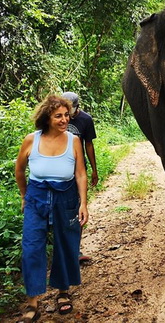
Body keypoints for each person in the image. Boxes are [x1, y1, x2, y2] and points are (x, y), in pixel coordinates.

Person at [15, 95, 88, 323]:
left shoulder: (74, 140)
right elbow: (19, 171)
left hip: (65, 197)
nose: (64, 119)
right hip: (37, 197)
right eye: (58, 116)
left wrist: (83, 203)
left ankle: (63, 291)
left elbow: (80, 174)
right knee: (31, 248)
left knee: (66, 245)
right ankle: (33, 303)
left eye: (67, 115)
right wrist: (24, 195)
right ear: (47, 118)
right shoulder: (31, 140)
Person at [62, 91, 98, 263]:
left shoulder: (85, 120)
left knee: (77, 208)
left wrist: (94, 169)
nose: (66, 115)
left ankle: (75, 250)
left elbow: (89, 145)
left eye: (70, 110)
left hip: (77, 169)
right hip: (58, 170)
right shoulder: (56, 117)